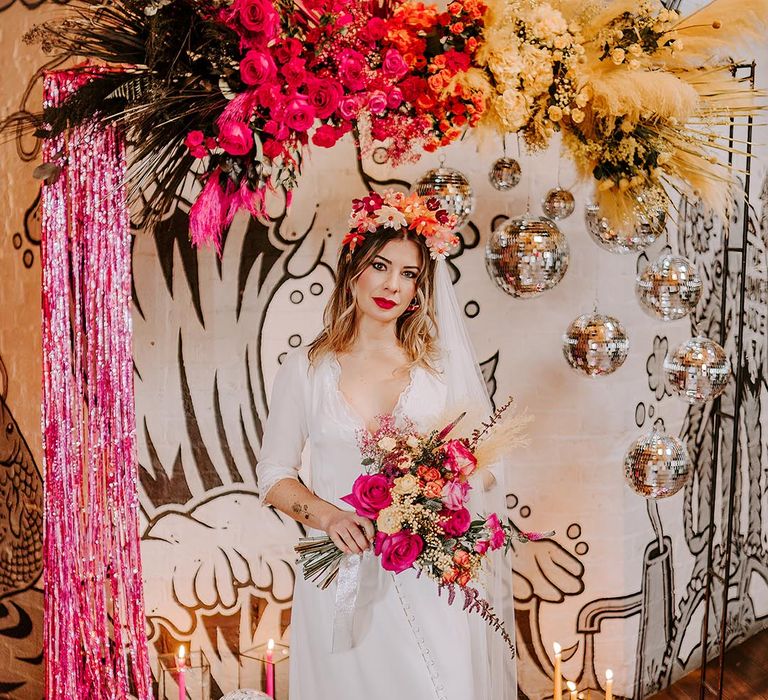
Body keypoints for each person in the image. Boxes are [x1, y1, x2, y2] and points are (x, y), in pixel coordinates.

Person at [256, 190, 517, 699]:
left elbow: (485, 464)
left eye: (409, 273)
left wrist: (435, 493)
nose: (392, 285)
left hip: (424, 577)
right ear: (353, 267)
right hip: (339, 582)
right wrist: (330, 517)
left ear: (421, 288)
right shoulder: (307, 371)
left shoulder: (437, 374)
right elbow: (273, 475)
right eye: (380, 265)